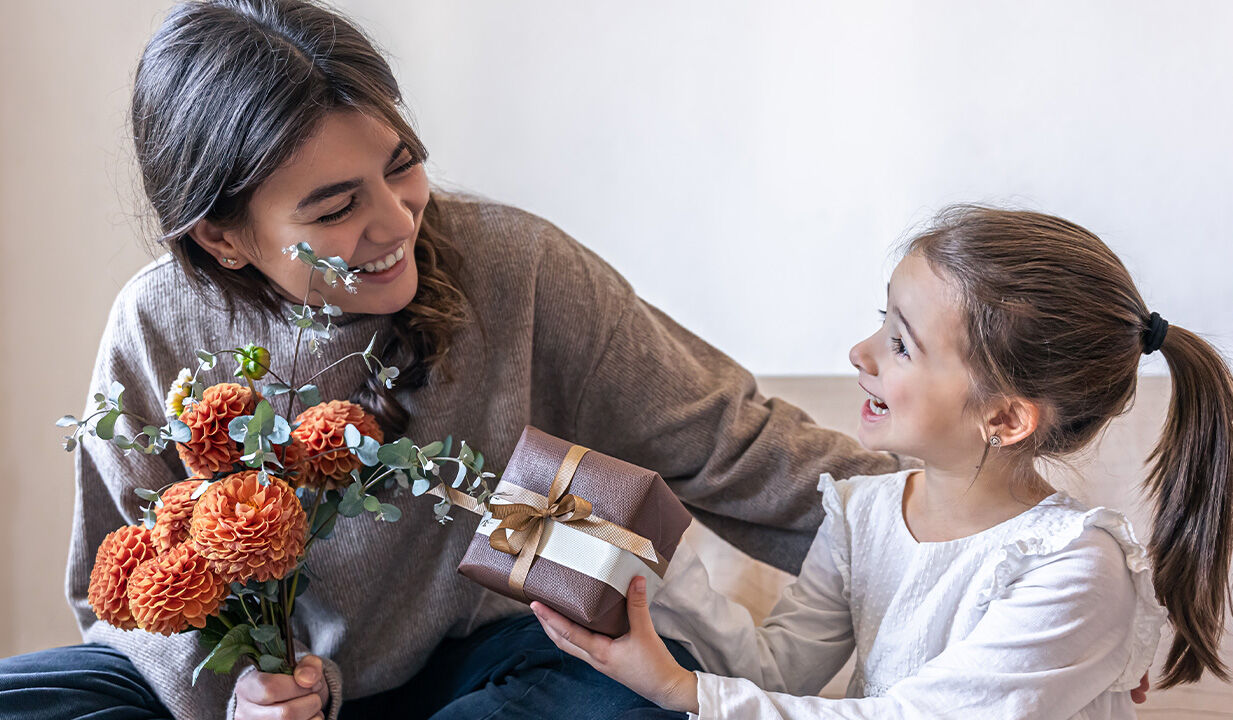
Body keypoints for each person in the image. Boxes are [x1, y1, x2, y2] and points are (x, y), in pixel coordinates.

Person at [0, 1, 907, 719]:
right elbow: (119, 589)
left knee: (627, 698)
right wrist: (235, 693)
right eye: (333, 208)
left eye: (403, 164)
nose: (397, 222)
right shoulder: (157, 324)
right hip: (253, 697)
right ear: (224, 237)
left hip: (481, 665)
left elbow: (732, 443)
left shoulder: (515, 265)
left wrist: (958, 523)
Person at [531, 206, 1233, 718]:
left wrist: (683, 692)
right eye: (881, 321)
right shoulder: (862, 513)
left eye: (900, 344)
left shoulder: (1075, 570)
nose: (858, 354)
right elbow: (778, 674)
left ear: (1004, 418)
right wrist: (651, 562)